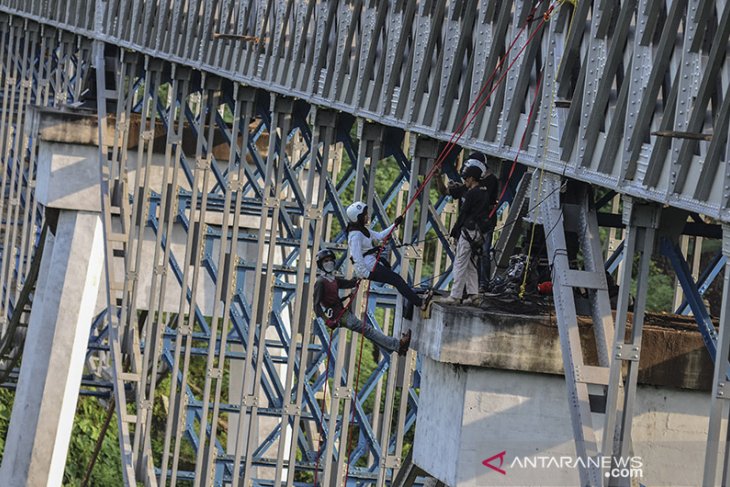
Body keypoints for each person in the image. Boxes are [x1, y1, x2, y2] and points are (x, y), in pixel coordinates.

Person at [312, 248, 411, 355]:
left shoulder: (333, 279)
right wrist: (327, 321)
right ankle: (397, 345)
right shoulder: (320, 282)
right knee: (368, 330)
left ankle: (394, 348)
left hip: (342, 313)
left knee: (367, 332)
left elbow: (350, 283)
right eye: (325, 261)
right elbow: (316, 305)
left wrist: (361, 272)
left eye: (330, 260)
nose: (329, 263)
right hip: (339, 316)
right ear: (320, 264)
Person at [345, 201, 432, 311]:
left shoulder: (362, 230)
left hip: (371, 263)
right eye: (365, 214)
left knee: (396, 279)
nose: (367, 216)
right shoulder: (355, 235)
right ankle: (420, 303)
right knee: (397, 280)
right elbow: (356, 257)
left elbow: (380, 236)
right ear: (358, 217)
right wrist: (366, 274)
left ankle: (418, 301)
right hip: (368, 267)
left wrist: (394, 225)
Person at [437, 160, 493, 303]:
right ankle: (473, 294)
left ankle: (455, 296)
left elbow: (463, 213)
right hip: (479, 233)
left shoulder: (471, 193)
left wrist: (455, 231)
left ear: (472, 179)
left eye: (466, 179)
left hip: (468, 231)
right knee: (471, 264)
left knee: (460, 263)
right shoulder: (484, 192)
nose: (464, 181)